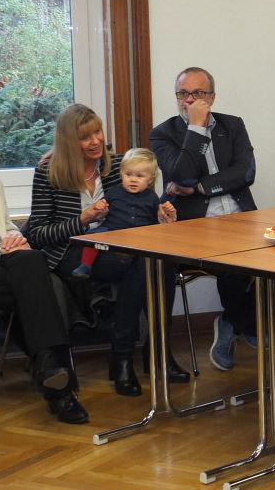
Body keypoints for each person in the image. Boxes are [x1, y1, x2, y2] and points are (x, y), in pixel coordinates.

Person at [25, 104, 187, 397]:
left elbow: (140, 213)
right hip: (73, 251)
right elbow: (36, 235)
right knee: (137, 263)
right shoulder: (49, 171)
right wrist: (82, 219)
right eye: (85, 137)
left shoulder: (117, 165)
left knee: (160, 262)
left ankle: (147, 350)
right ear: (69, 141)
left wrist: (162, 222)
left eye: (97, 132)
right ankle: (132, 355)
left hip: (122, 245)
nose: (96, 141)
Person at [150, 66, 259, 372]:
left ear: (211, 97)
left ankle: (231, 321)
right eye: (183, 93)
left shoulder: (232, 125)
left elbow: (246, 172)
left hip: (240, 217)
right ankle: (243, 323)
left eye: (197, 93)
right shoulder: (162, 134)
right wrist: (196, 128)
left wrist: (199, 187)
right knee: (233, 260)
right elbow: (181, 173)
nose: (188, 100)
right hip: (194, 226)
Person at [0, 121, 88, 424]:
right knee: (30, 285)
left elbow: (4, 225)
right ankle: (59, 387)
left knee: (32, 261)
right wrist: (0, 248)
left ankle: (49, 366)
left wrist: (15, 238)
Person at [72, 148, 176, 278]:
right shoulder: (114, 191)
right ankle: (86, 265)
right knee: (93, 236)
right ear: (121, 174)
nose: (133, 180)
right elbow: (102, 205)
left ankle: (128, 255)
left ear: (150, 179)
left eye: (139, 176)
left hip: (140, 233)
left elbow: (156, 219)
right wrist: (100, 206)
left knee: (154, 243)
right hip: (112, 230)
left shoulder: (152, 197)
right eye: (128, 174)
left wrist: (165, 216)